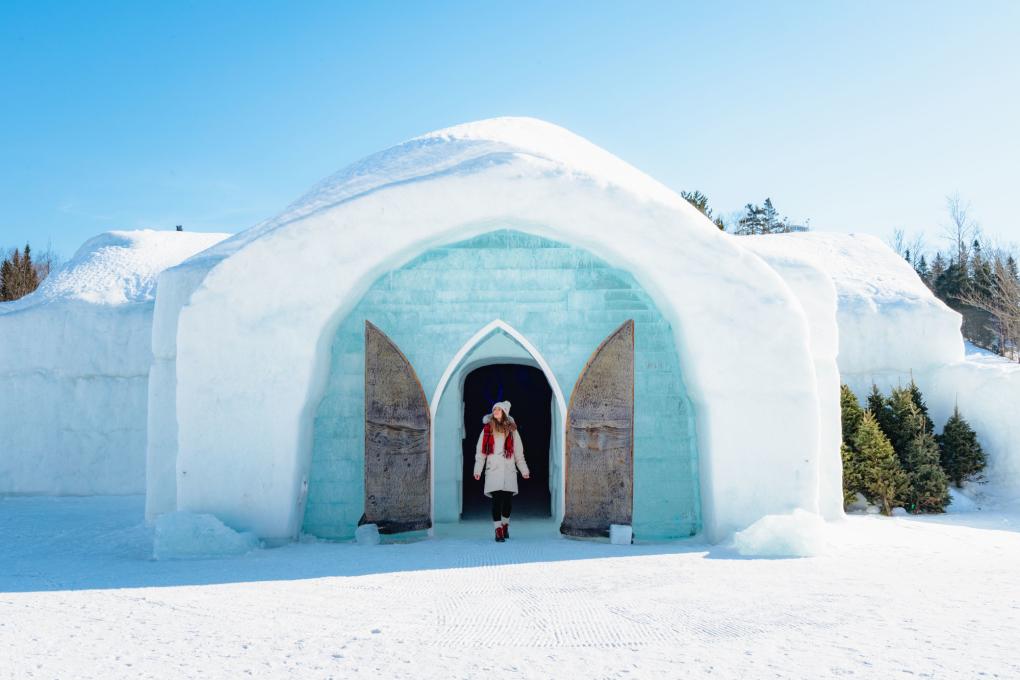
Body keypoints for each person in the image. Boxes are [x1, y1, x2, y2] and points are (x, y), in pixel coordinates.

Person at [473, 400, 529, 542]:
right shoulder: (487, 429)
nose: (495, 411)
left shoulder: (512, 430)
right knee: (496, 500)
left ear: (504, 412)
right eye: (494, 409)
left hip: (509, 469)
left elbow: (518, 452)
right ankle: (498, 530)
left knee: (508, 503)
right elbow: (481, 452)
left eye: (499, 409)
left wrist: (524, 470)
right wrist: (477, 469)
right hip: (494, 469)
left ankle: (505, 526)